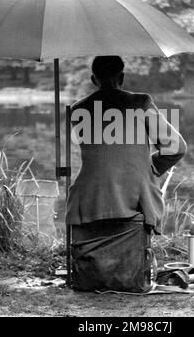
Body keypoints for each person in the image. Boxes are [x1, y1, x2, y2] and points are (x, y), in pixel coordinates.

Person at [66, 56, 187, 291]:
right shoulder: (140, 103)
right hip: (133, 197)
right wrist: (150, 168)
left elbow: (107, 155)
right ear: (122, 77)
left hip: (89, 199)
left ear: (93, 79)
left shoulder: (78, 110)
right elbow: (177, 148)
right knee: (143, 183)